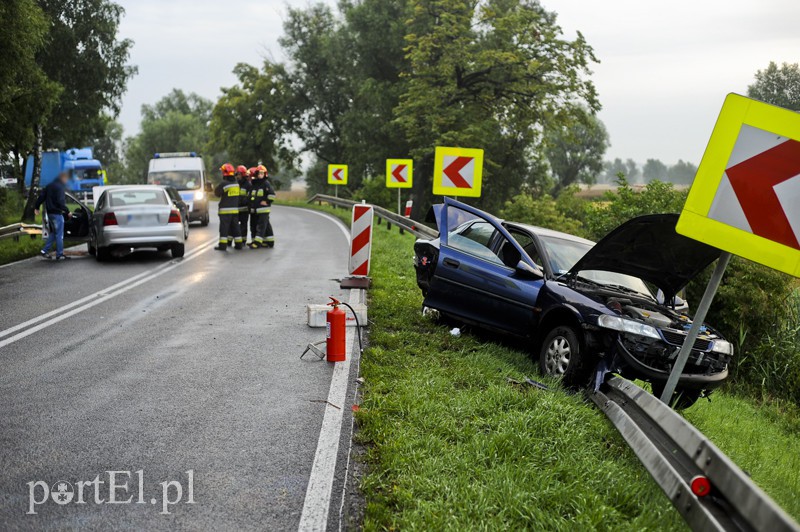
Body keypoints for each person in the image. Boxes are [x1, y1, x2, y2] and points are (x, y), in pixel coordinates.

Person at [34, 171, 72, 261]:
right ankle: (59, 254)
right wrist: (67, 211)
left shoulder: (49, 185)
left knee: (54, 233)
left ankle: (44, 250)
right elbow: (60, 202)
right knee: (59, 235)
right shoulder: (60, 187)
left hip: (50, 214)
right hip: (57, 214)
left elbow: (41, 197)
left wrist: (37, 207)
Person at [214, 163, 242, 251]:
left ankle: (222, 246)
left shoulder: (224, 184)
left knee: (224, 229)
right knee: (236, 228)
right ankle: (239, 244)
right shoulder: (236, 184)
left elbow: (217, 193)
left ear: (225, 173)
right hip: (235, 211)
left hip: (225, 212)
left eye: (222, 172)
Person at [248, 165, 276, 248]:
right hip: (257, 210)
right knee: (266, 225)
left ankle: (257, 243)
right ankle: (269, 242)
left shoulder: (266, 183)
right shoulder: (255, 184)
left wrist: (267, 201)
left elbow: (272, 195)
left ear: (265, 174)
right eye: (258, 173)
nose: (260, 175)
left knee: (261, 226)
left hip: (264, 209)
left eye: (262, 173)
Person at [236, 165, 252, 244]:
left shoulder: (248, 185)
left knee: (243, 225)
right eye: (237, 174)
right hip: (236, 209)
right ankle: (236, 240)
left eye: (238, 174)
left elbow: (249, 197)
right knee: (235, 225)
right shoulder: (236, 184)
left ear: (242, 174)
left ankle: (243, 240)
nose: (237, 176)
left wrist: (243, 201)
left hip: (244, 209)